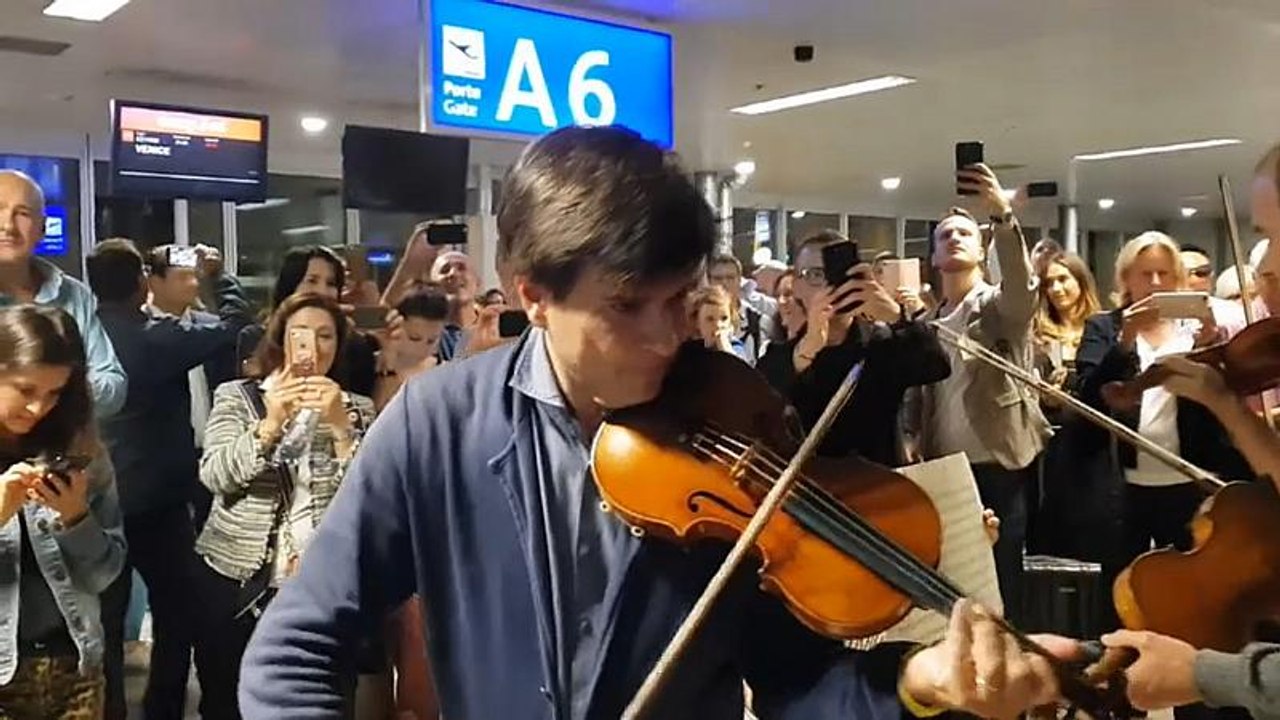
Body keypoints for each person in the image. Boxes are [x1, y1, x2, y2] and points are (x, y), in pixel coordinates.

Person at [240, 126, 1074, 720]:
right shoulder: (438, 424)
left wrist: (920, 682)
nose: (666, 336)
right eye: (627, 307)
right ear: (533, 295)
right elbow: (295, 649)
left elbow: (795, 682)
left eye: (679, 300)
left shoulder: (730, 418)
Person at [87, 238, 254, 719]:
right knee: (179, 613)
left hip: (101, 499)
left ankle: (111, 709)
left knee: (107, 624)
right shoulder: (156, 337)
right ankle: (164, 707)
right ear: (144, 281)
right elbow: (237, 327)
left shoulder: (86, 334)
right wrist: (218, 278)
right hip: (160, 502)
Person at [195, 294, 376, 720]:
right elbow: (216, 476)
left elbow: (366, 501)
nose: (313, 347)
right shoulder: (238, 397)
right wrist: (269, 426)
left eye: (325, 336)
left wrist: (340, 430)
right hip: (236, 580)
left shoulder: (357, 410)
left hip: (318, 586)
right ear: (281, 340)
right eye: (301, 334)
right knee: (227, 701)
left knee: (316, 702)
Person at [1075, 232, 1250, 637]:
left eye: (1164, 274)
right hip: (1125, 484)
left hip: (1188, 479)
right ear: (1126, 279)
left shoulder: (1195, 329)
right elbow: (1087, 396)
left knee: (1193, 589)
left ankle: (1193, 684)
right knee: (1121, 592)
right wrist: (1125, 343)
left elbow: (1222, 403)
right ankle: (1119, 686)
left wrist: (1212, 350)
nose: (1155, 284)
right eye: (1145, 274)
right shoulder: (1104, 327)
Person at [907, 164, 1050, 625]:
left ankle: (1011, 684)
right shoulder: (925, 324)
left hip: (998, 466)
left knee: (1001, 586)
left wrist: (1002, 218)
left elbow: (1021, 287)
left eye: (965, 233)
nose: (954, 238)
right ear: (931, 256)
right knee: (951, 587)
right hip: (944, 471)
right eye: (945, 234)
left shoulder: (996, 310)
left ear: (982, 247)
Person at [0, 304, 126, 719]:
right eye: (26, 389)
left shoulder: (81, 449)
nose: (38, 408)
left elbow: (106, 575)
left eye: (54, 393)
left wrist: (77, 520)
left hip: (76, 664)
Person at [758, 230, 949, 466]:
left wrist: (896, 316)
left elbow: (936, 366)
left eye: (839, 275)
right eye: (815, 274)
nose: (829, 285)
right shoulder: (782, 355)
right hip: (809, 490)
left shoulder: (882, 343)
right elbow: (760, 408)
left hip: (880, 488)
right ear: (796, 286)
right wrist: (808, 347)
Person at [0, 170, 126, 418]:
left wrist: (52, 391)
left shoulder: (73, 294)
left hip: (66, 451)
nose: (8, 225)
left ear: (43, 228)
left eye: (23, 213)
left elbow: (114, 386)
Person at [1028, 251, 1105, 559]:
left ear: (1081, 281)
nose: (1056, 289)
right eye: (1049, 283)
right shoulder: (1036, 332)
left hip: (1091, 436)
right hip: (1048, 437)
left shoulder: (1101, 327)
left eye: (1063, 280)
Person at [372, 287, 450, 411]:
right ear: (396, 327)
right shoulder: (368, 363)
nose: (424, 348)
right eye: (414, 338)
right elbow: (379, 415)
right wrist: (389, 361)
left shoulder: (447, 373)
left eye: (432, 340)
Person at [707, 254, 775, 364]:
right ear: (709, 282)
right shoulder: (697, 321)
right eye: (718, 278)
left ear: (739, 281)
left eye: (730, 278)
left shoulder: (760, 323)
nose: (724, 283)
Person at [688, 284, 751, 361]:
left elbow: (739, 369)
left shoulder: (735, 347)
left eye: (724, 318)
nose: (718, 325)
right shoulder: (688, 351)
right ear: (696, 321)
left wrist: (725, 348)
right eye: (710, 319)